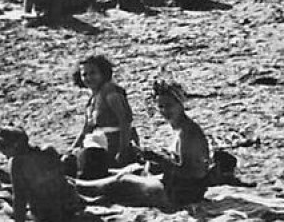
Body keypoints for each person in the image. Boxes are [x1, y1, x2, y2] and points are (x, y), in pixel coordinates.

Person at [74, 81, 211, 210]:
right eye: (161, 106)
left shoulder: (187, 132)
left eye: (169, 106)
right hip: (179, 186)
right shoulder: (181, 128)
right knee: (126, 171)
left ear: (180, 104)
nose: (164, 111)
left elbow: (190, 172)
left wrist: (158, 159)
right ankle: (80, 185)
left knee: (122, 182)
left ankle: (79, 186)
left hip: (184, 193)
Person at [0, 128, 85, 222]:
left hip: (45, 215)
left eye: (3, 147)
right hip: (69, 206)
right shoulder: (48, 150)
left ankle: (1, 204)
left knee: (9, 208)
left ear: (14, 146)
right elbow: (61, 176)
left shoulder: (17, 163)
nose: (2, 151)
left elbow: (19, 200)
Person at [65, 54, 136, 179]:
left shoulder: (110, 92)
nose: (88, 78)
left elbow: (125, 121)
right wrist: (71, 149)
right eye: (84, 74)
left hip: (113, 146)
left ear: (103, 73)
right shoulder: (92, 100)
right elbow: (86, 129)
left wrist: (122, 151)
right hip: (97, 145)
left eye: (93, 73)